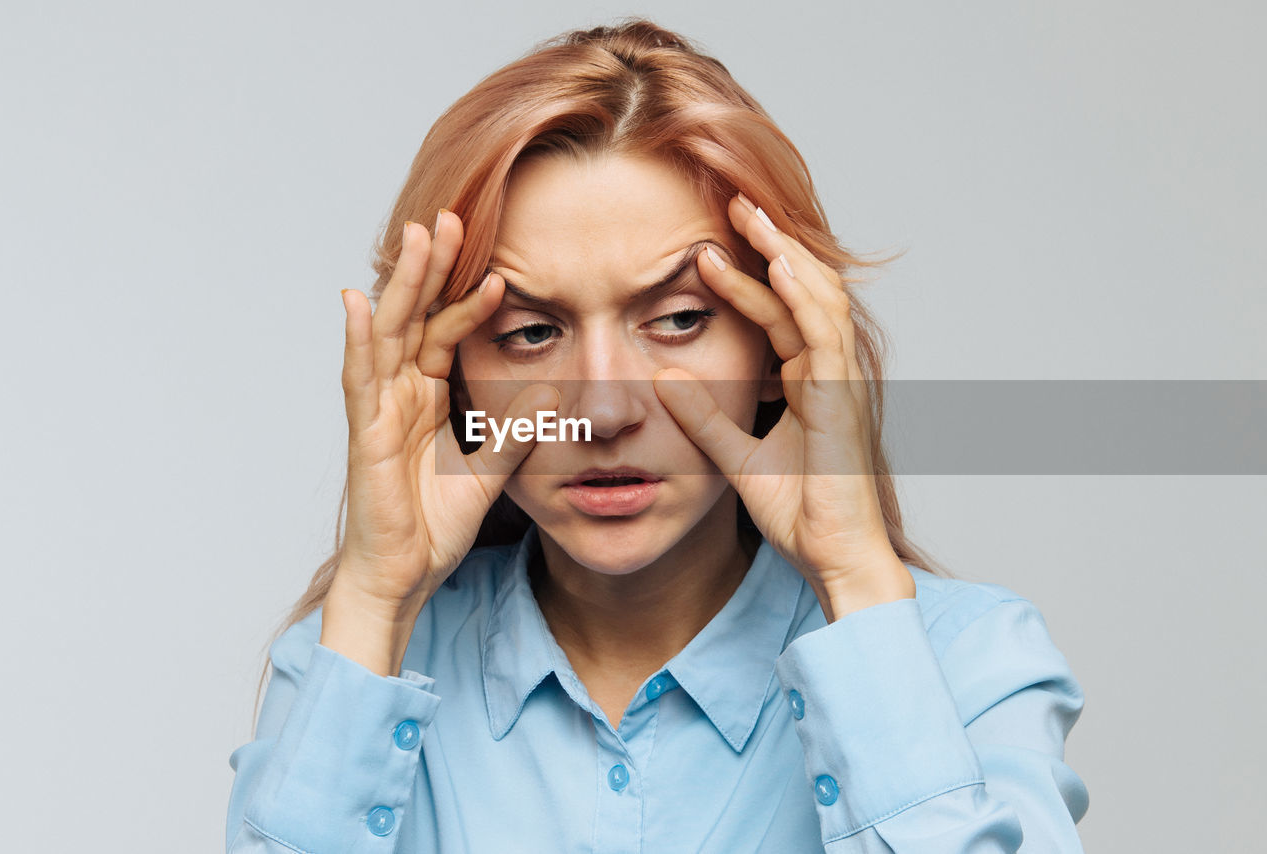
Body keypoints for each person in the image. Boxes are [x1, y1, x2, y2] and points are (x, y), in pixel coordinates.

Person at [226, 19, 1088, 853]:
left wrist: (853, 573)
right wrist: (375, 599)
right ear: (449, 374)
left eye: (678, 319)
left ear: (777, 344)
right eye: (529, 332)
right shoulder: (349, 665)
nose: (603, 412)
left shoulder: (969, 663)